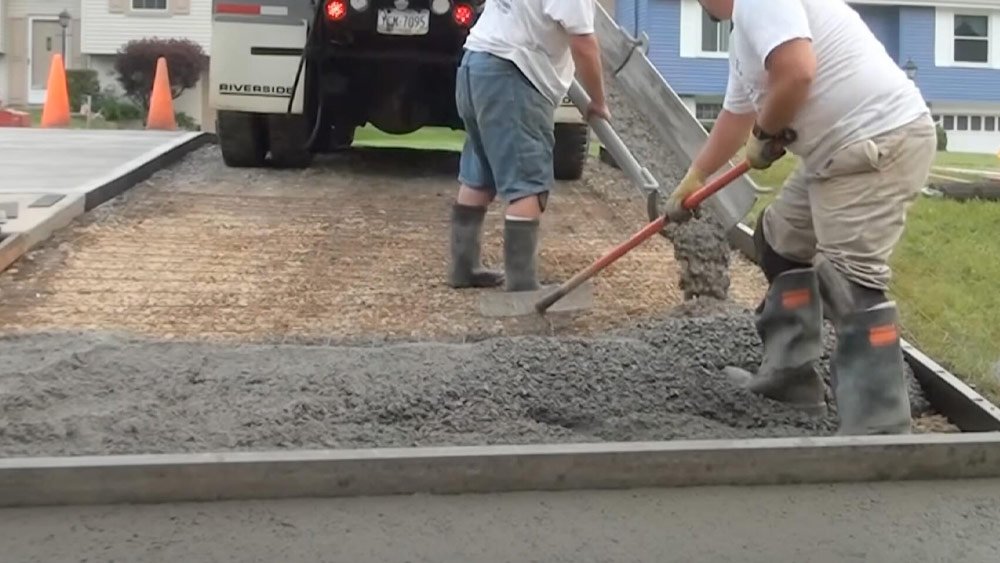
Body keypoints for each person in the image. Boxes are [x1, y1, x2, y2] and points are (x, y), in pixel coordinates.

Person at [665, 0, 936, 435]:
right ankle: (790, 376)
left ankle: (880, 432)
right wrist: (695, 176)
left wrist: (765, 132)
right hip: (836, 152)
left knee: (848, 282)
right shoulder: (745, 34)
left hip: (879, 141)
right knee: (779, 241)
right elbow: (739, 114)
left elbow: (797, 72)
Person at [447, 0, 609, 293]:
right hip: (513, 72)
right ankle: (522, 284)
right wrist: (598, 101)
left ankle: (464, 268)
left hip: (475, 64)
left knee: (480, 172)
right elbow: (584, 44)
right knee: (528, 183)